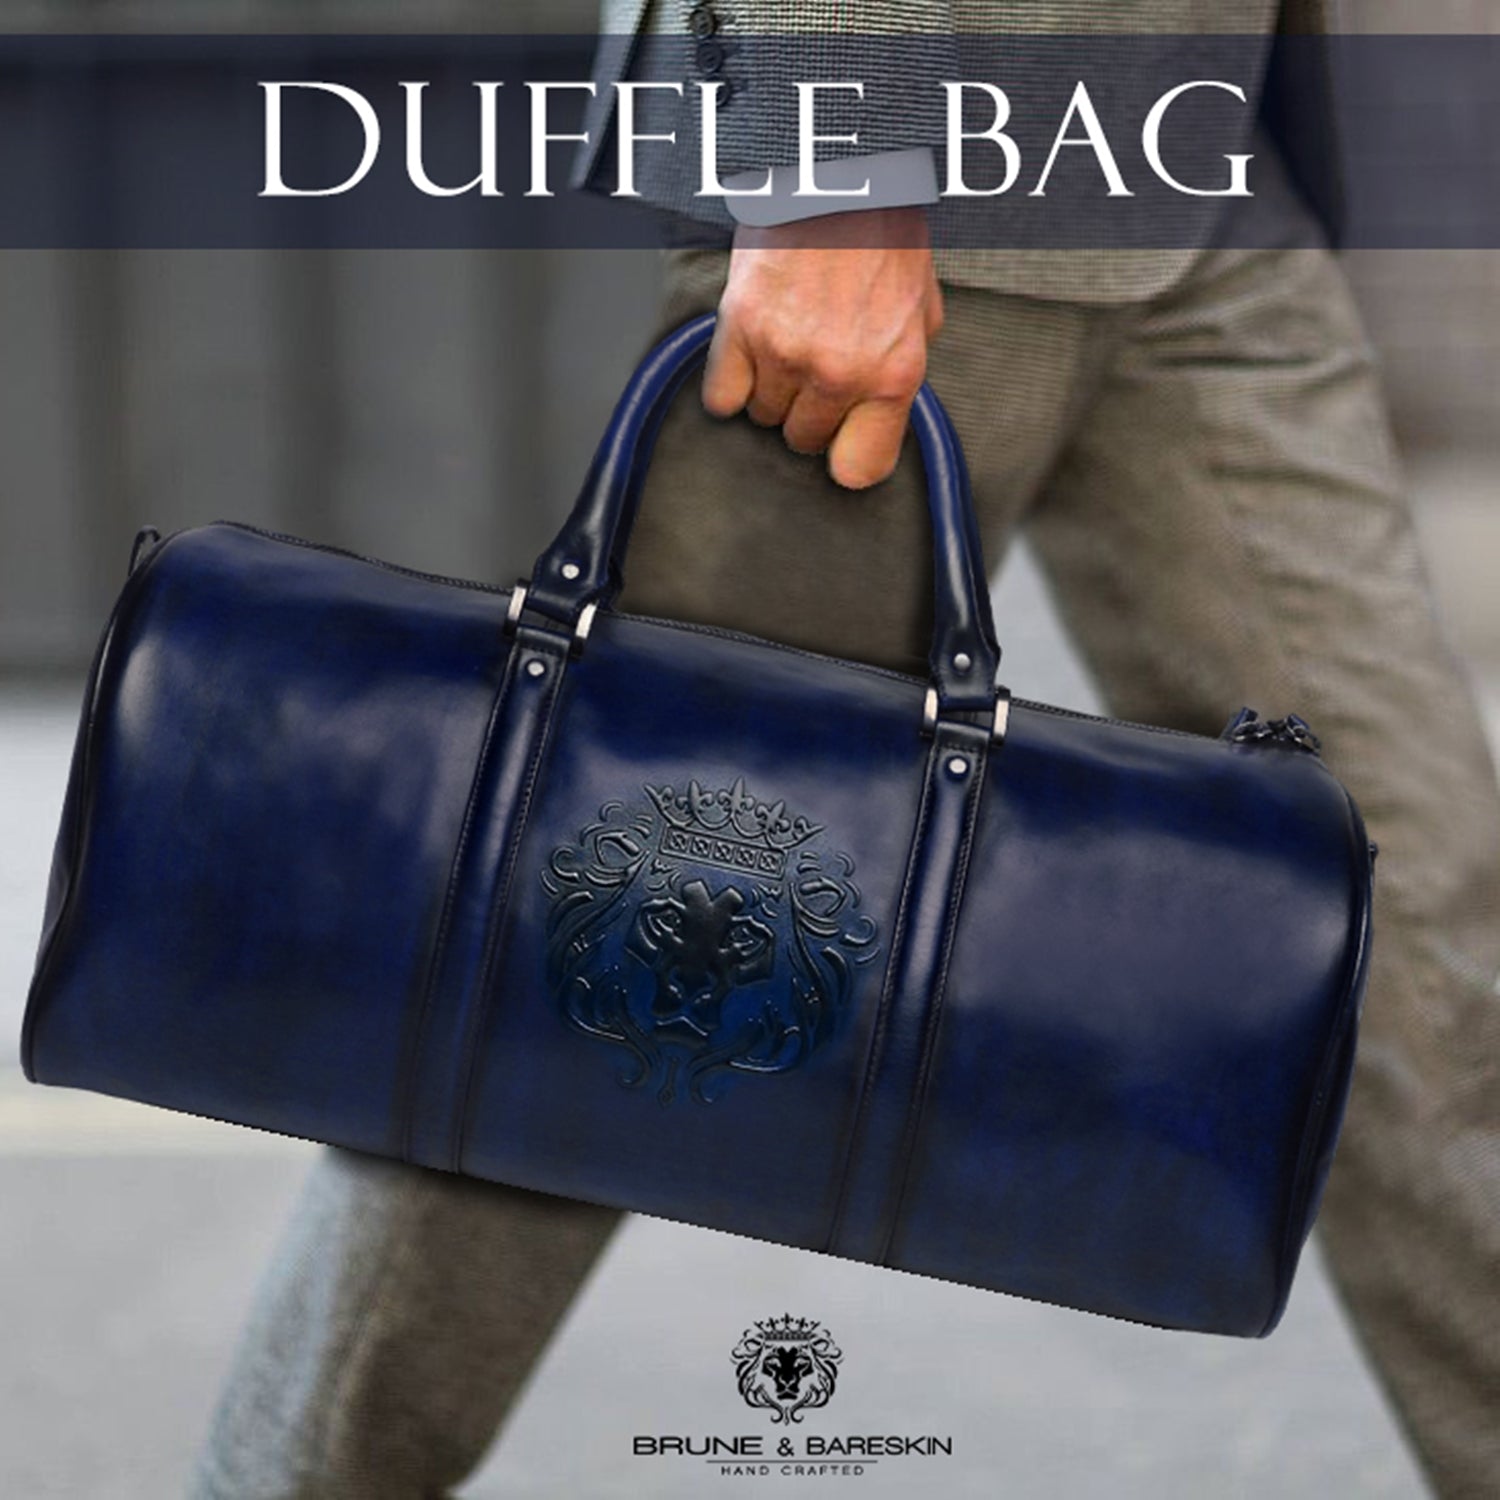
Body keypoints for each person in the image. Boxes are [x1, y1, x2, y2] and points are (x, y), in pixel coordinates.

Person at [190, 4, 1500, 1497]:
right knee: (616, 961)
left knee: (1414, 926)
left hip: (1196, 151)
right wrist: (838, 148)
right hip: (918, 149)